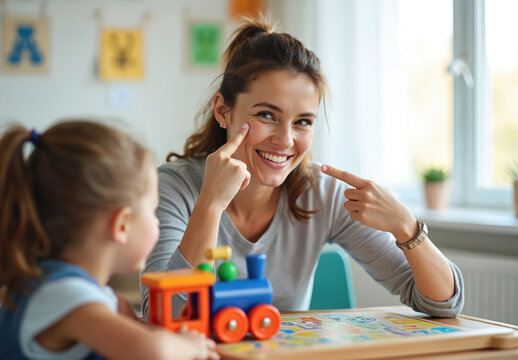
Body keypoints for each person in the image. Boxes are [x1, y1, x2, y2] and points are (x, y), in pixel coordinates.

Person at [141, 16, 464, 318]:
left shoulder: (323, 194)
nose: (285, 140)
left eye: (303, 122)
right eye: (267, 115)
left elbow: (443, 303)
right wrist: (210, 204)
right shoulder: (173, 188)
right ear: (224, 111)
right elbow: (165, 315)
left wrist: (406, 227)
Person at [0, 121, 219, 360]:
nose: (157, 222)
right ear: (122, 225)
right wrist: (190, 346)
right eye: (153, 210)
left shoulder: (75, 290)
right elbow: (154, 351)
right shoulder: (65, 295)